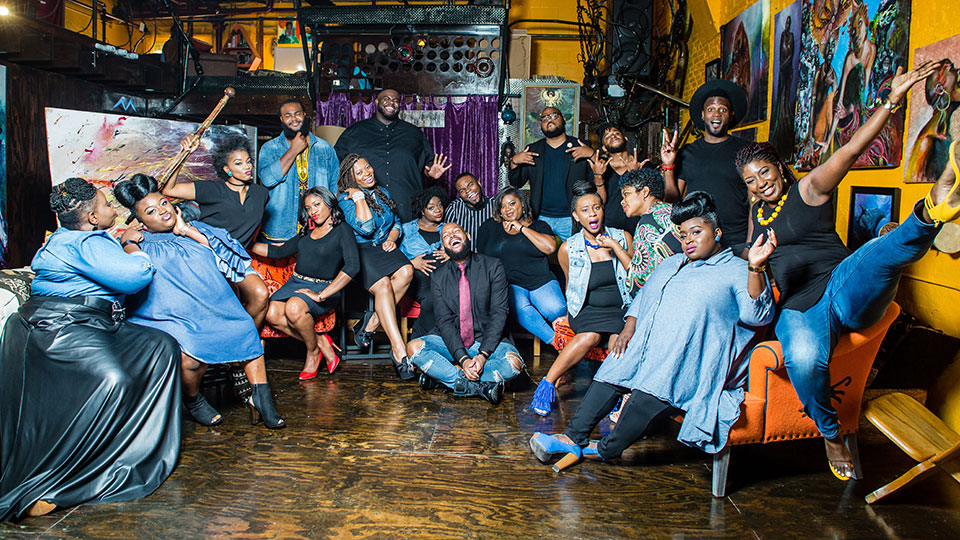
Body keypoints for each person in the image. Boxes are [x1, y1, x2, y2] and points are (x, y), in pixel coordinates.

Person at [735, 61, 954, 481]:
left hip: (843, 285)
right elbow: (755, 275)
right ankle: (831, 434)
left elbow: (850, 150)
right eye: (750, 180)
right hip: (800, 310)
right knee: (802, 357)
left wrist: (892, 101)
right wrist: (754, 264)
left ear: (779, 168)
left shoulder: (809, 188)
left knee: (876, 253)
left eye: (765, 172)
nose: (760, 183)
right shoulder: (756, 212)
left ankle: (931, 210)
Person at [529, 192, 776, 470]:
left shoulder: (738, 270)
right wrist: (628, 328)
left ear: (717, 232)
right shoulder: (673, 262)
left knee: (652, 387)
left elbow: (757, 316)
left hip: (685, 362)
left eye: (696, 232)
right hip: (647, 346)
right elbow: (644, 296)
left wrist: (756, 268)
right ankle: (571, 436)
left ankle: (603, 449)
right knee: (615, 365)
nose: (688, 241)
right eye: (683, 235)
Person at [0, 178, 181, 520]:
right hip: (59, 327)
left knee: (160, 346)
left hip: (96, 323)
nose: (114, 209)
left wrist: (113, 240)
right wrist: (131, 245)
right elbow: (137, 275)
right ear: (93, 218)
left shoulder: (80, 238)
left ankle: (132, 449)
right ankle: (63, 480)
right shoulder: (80, 244)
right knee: (113, 379)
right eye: (107, 205)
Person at [115, 174, 285, 429]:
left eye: (163, 203)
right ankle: (193, 400)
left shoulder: (199, 230)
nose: (163, 212)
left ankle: (263, 400)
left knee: (244, 328)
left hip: (215, 310)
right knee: (191, 359)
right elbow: (135, 272)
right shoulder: (139, 244)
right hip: (172, 317)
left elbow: (230, 259)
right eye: (151, 211)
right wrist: (128, 241)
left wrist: (187, 231)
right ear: (140, 221)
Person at [530, 182, 634, 416]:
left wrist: (615, 247)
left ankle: (611, 396)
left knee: (619, 341)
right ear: (576, 216)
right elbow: (571, 285)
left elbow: (636, 276)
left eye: (596, 208)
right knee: (590, 336)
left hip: (622, 310)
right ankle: (546, 385)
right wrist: (571, 313)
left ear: (603, 210)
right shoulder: (568, 248)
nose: (592, 214)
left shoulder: (623, 237)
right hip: (587, 310)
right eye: (585, 210)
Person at [161, 134, 270, 329]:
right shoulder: (211, 190)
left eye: (248, 162)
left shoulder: (261, 194)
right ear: (227, 170)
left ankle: (240, 342)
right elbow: (169, 188)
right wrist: (184, 153)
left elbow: (250, 229)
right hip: (208, 255)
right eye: (239, 163)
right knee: (226, 302)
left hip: (236, 257)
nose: (247, 167)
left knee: (261, 296)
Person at [407, 222, 524, 403]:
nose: (452, 236)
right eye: (446, 236)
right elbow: (444, 322)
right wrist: (463, 359)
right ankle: (479, 386)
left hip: (487, 341)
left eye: (456, 231)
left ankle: (445, 380)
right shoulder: (438, 277)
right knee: (413, 348)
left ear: (467, 236)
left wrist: (483, 355)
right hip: (453, 343)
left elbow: (499, 313)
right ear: (444, 247)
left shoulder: (493, 266)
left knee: (514, 365)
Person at [249, 187, 359, 380]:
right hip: (296, 282)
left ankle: (312, 353)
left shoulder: (343, 230)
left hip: (324, 287)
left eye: (317, 205)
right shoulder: (307, 230)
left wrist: (321, 295)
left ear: (330, 203)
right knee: (271, 312)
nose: (312, 211)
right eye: (308, 208)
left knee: (293, 308)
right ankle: (320, 342)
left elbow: (353, 266)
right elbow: (278, 252)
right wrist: (243, 244)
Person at [337, 153, 416, 379]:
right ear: (351, 179)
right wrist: (359, 198)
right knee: (383, 285)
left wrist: (392, 237)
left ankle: (370, 324)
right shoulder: (346, 200)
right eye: (359, 173)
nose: (367, 173)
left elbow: (397, 223)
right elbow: (365, 227)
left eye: (368, 167)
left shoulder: (383, 193)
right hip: (360, 252)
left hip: (383, 247)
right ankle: (399, 351)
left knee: (407, 271)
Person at [334, 88, 451, 222]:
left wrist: (429, 174)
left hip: (408, 209)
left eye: (396, 100)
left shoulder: (414, 134)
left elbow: (426, 165)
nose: (392, 102)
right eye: (386, 99)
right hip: (370, 212)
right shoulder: (354, 133)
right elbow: (337, 166)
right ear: (376, 101)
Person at [661, 79, 751, 249]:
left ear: (731, 115)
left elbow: (755, 202)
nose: (716, 114)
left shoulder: (744, 150)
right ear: (703, 115)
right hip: (700, 240)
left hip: (737, 238)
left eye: (722, 109)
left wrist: (749, 244)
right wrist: (668, 166)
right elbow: (672, 200)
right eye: (711, 109)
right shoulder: (687, 152)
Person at [477, 187, 566, 345]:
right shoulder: (490, 227)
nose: (507, 209)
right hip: (510, 284)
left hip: (541, 281)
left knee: (557, 310)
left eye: (512, 203)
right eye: (503, 206)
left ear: (523, 205)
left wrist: (521, 228)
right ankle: (559, 343)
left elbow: (550, 248)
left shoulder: (539, 226)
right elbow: (481, 256)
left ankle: (569, 338)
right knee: (521, 309)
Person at [258, 99, 340, 242]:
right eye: (288, 115)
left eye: (297, 114)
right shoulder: (270, 148)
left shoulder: (324, 148)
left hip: (318, 229)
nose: (293, 118)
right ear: (281, 119)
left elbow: (335, 186)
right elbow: (267, 180)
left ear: (304, 115)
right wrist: (293, 150)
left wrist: (330, 220)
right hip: (279, 230)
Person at [508, 106, 594, 240]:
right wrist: (514, 161)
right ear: (541, 125)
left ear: (564, 119)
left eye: (554, 116)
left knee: (575, 258)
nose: (549, 120)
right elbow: (516, 182)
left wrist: (592, 155)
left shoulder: (580, 145)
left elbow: (597, 180)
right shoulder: (533, 150)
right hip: (541, 217)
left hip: (571, 217)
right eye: (545, 118)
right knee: (538, 257)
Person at [620, 168, 683, 297]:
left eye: (626, 194)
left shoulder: (647, 224)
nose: (622, 201)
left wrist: (616, 247)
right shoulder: (673, 210)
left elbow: (638, 282)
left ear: (645, 192)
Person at [400, 186, 449, 338]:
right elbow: (393, 258)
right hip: (418, 279)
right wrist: (411, 263)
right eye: (431, 207)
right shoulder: (406, 229)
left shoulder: (447, 229)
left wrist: (451, 254)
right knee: (432, 297)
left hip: (444, 278)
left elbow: (462, 251)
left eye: (440, 205)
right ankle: (424, 341)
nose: (438, 210)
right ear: (422, 210)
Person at [587, 123, 647, 233]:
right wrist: (598, 176)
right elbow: (599, 202)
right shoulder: (599, 168)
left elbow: (649, 199)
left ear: (625, 138)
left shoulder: (642, 164)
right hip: (610, 228)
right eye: (607, 136)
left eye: (616, 133)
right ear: (604, 147)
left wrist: (635, 174)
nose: (613, 136)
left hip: (639, 226)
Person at [444, 172, 493, 249]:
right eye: (462, 190)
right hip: (465, 259)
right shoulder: (454, 209)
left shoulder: (496, 205)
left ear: (479, 183)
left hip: (492, 258)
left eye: (470, 185)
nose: (468, 191)